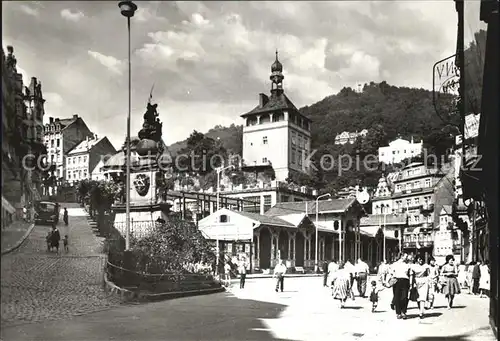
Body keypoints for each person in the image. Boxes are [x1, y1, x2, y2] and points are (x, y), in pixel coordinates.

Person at [391, 252, 411, 319]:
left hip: (405, 281)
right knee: (397, 297)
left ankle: (404, 312)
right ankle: (398, 313)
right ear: (402, 256)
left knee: (405, 297)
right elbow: (391, 273)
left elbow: (409, 274)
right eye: (406, 256)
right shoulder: (395, 264)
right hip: (397, 280)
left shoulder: (407, 265)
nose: (406, 257)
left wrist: (410, 283)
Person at [410, 255, 430, 319]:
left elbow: (428, 274)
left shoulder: (426, 266)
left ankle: (421, 312)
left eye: (422, 259)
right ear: (417, 260)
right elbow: (411, 276)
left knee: (423, 298)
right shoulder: (413, 266)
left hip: (424, 281)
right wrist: (411, 284)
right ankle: (420, 310)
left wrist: (429, 282)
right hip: (416, 282)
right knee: (418, 298)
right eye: (419, 259)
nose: (421, 260)